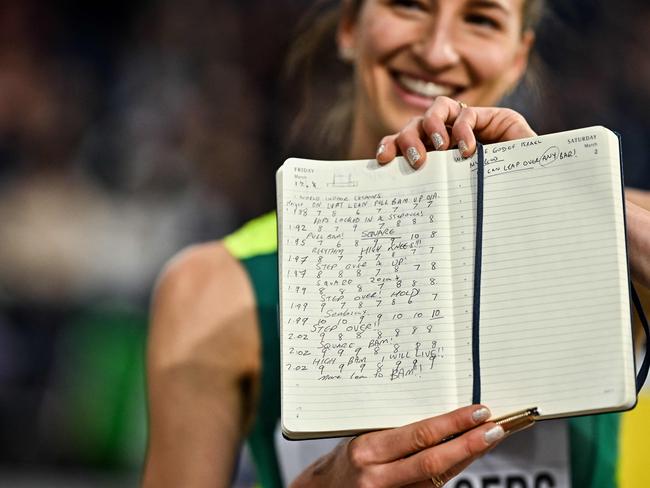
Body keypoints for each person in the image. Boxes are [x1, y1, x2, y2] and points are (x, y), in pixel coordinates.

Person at [142, 1, 650, 486]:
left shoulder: (612, 224)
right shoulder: (214, 288)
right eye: (408, 4)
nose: (437, 50)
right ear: (349, 25)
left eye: (481, 18)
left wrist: (561, 193)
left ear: (518, 55)